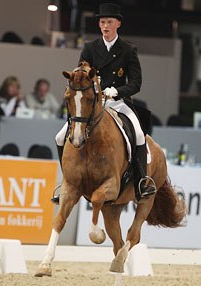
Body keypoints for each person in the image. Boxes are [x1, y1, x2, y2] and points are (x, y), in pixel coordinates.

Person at [55, 3, 156, 200]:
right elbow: (79, 76)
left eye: (109, 22)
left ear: (117, 23)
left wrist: (116, 90)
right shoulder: (90, 48)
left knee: (138, 134)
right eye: (102, 22)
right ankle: (65, 183)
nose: (105, 26)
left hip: (118, 103)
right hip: (93, 105)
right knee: (60, 137)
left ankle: (141, 182)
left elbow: (136, 83)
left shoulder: (128, 50)